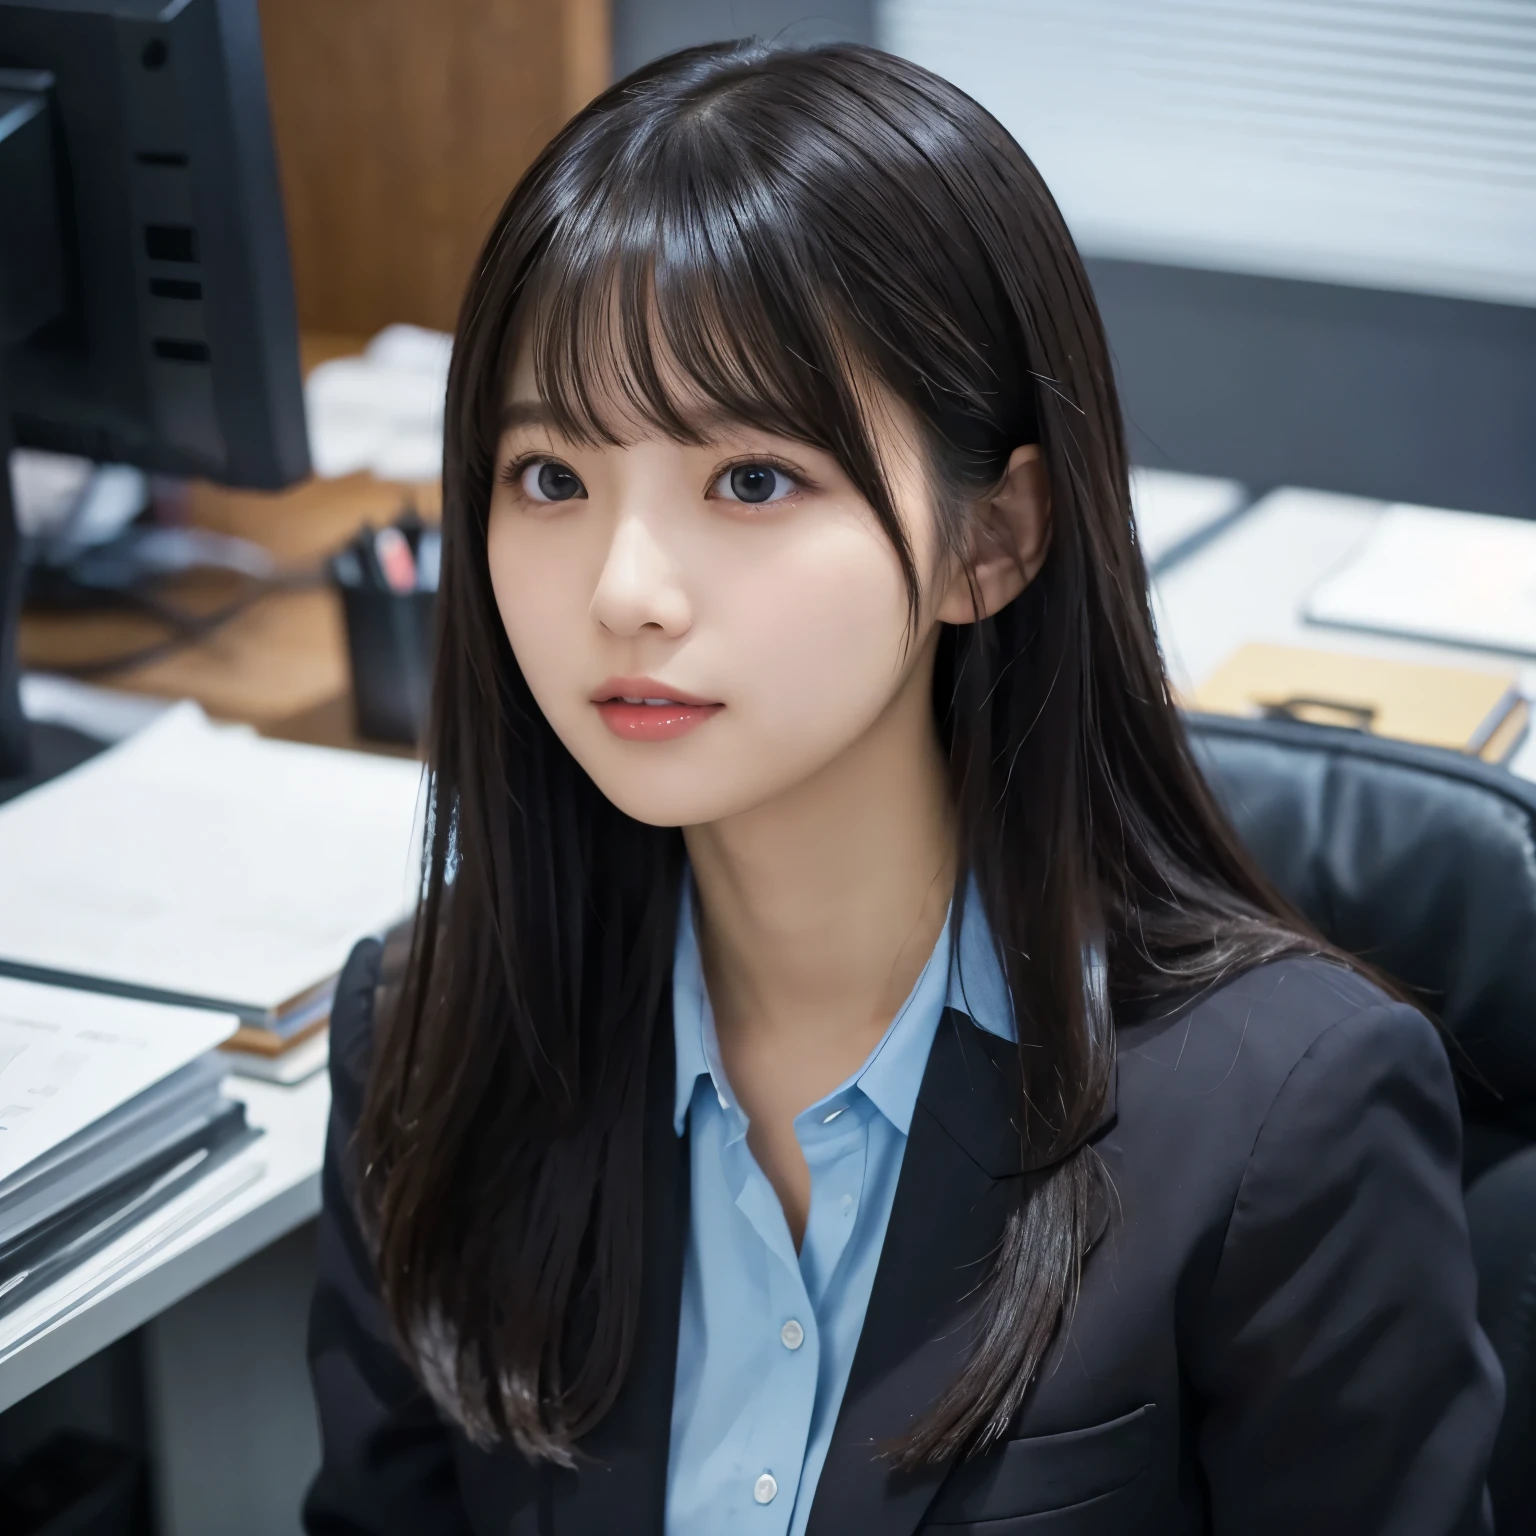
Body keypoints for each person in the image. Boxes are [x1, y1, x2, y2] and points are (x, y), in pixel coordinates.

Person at [301, 40, 1501, 1536]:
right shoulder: (433, 1040)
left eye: (750, 480)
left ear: (989, 540)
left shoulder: (1284, 1123)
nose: (624, 590)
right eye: (551, 475)